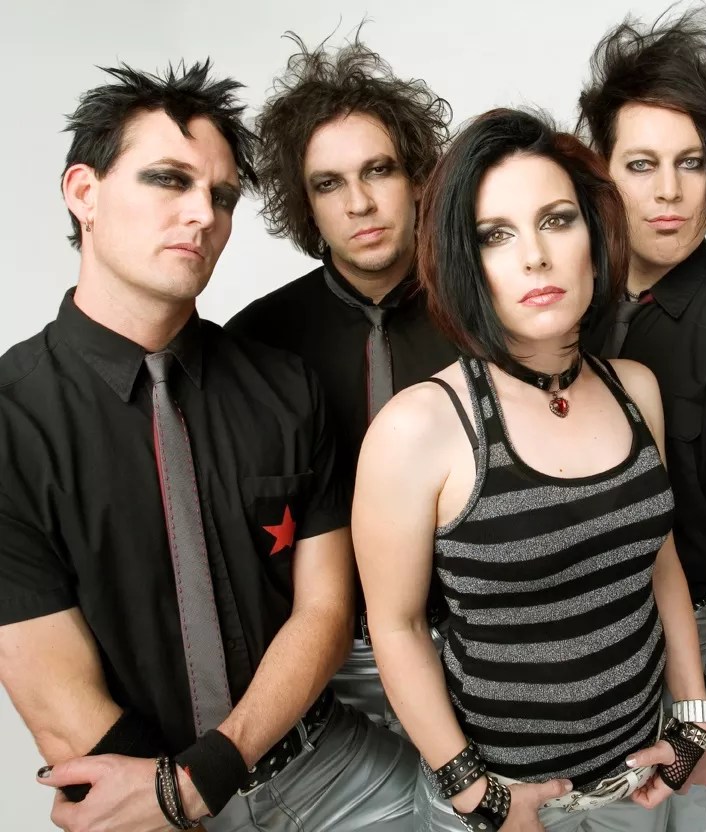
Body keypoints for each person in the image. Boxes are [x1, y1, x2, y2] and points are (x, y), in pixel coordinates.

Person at [0, 60, 415, 832]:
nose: (203, 214)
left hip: (325, 767)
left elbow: (325, 609)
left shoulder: (284, 386)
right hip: (143, 790)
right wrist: (178, 802)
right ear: (84, 192)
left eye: (221, 196)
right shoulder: (12, 421)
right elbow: (53, 692)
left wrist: (212, 772)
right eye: (169, 180)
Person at [352, 107, 706, 832]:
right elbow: (396, 626)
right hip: (504, 802)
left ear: (596, 238)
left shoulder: (636, 389)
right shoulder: (417, 428)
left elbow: (660, 560)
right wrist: (475, 794)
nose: (535, 257)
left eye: (556, 220)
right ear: (465, 262)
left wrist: (694, 719)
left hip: (635, 782)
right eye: (496, 234)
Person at [577, 8, 706, 831]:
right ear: (601, 172)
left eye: (691, 163)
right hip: (580, 639)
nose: (668, 192)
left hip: (691, 633)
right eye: (642, 164)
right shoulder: (561, 302)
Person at [226, 33, 457, 729]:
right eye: (329, 183)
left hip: (474, 651)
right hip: (328, 669)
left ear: (418, 178)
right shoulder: (254, 342)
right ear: (306, 205)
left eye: (378, 170)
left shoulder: (484, 318)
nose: (359, 203)